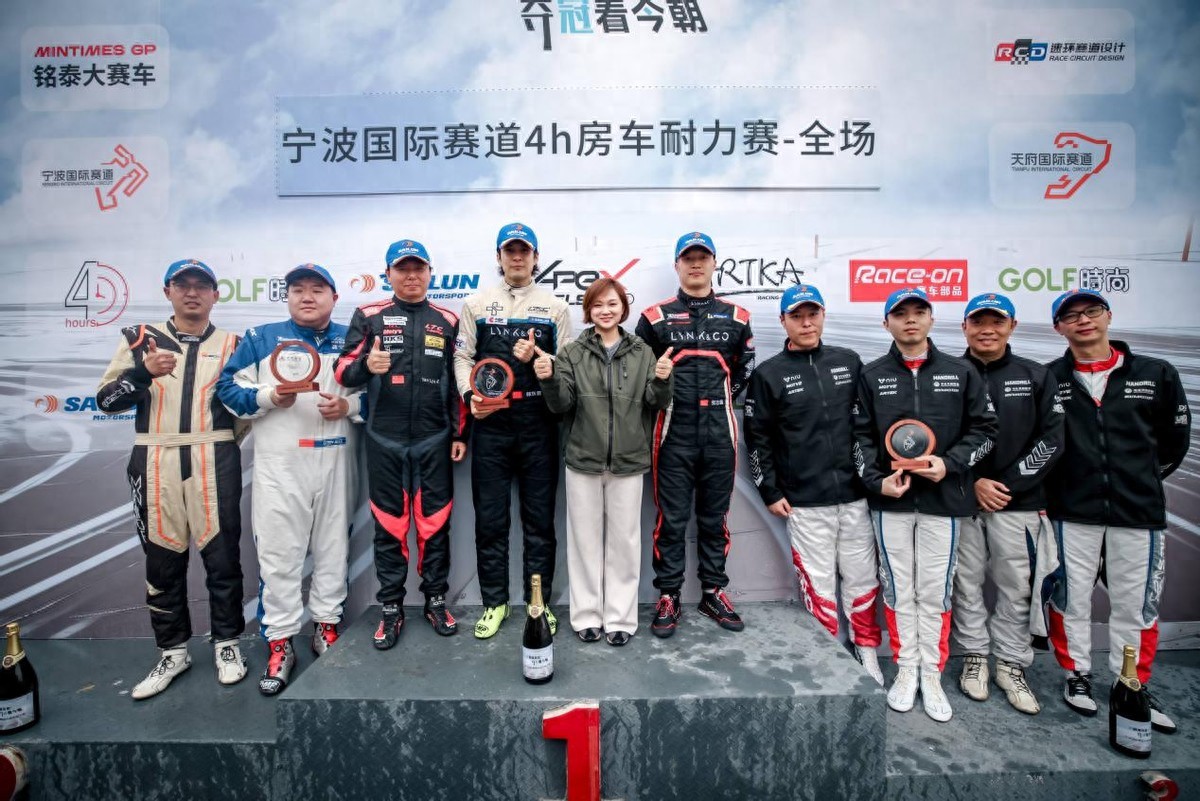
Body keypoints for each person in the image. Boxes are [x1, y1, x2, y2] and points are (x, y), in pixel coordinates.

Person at [96, 259, 247, 700]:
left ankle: (227, 643)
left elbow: (244, 410)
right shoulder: (139, 339)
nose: (192, 292)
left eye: (202, 285)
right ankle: (172, 650)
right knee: (162, 560)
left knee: (223, 557)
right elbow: (106, 401)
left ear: (216, 294)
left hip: (214, 454)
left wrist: (218, 442)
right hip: (154, 456)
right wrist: (142, 373)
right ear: (168, 292)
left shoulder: (235, 344)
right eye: (183, 285)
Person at [1044, 289, 1190, 732]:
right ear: (1059, 328)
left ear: (1108, 316)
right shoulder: (1050, 377)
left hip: (1137, 511)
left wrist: (1138, 479)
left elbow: (1173, 444)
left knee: (1135, 604)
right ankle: (1077, 674)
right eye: (1071, 316)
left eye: (1092, 311)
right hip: (1072, 511)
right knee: (1071, 598)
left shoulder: (1155, 372)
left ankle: (1131, 684)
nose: (1083, 320)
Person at [217, 263, 365, 695]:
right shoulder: (261, 338)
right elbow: (228, 391)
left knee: (334, 550)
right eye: (298, 289)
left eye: (317, 289)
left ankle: (326, 628)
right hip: (282, 466)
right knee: (279, 555)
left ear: (334, 297)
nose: (307, 296)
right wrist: (268, 396)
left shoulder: (353, 340)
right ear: (287, 297)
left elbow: (383, 395)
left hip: (337, 460)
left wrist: (351, 408)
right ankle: (280, 642)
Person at [852, 287, 997, 722]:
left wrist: (949, 464)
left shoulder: (961, 371)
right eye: (901, 314)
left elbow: (985, 432)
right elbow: (859, 437)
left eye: (919, 312)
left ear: (932, 319)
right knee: (899, 588)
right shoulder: (872, 374)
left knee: (934, 590)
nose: (910, 320)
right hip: (892, 503)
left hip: (943, 500)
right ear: (887, 323)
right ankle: (906, 668)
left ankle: (931, 672)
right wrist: (877, 482)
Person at [743, 284, 884, 685]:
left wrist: (871, 479)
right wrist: (770, 490)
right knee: (819, 584)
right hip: (804, 502)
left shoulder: (849, 361)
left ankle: (866, 649)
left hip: (855, 498)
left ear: (823, 316)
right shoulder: (769, 374)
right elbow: (757, 439)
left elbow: (868, 427)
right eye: (797, 316)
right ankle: (828, 653)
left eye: (812, 314)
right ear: (783, 320)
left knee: (862, 579)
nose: (806, 323)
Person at [337, 239, 468, 648]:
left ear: (429, 273)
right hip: (384, 438)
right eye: (402, 269)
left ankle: (435, 600)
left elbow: (458, 381)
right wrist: (366, 365)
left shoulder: (448, 319)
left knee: (435, 524)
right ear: (388, 274)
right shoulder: (369, 316)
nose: (411, 276)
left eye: (418, 268)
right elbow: (343, 370)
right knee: (390, 526)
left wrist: (459, 433)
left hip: (435, 438)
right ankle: (391, 607)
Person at [535, 277, 674, 646]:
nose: (605, 310)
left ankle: (620, 619)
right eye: (597, 305)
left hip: (628, 462)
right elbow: (560, 405)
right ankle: (586, 617)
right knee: (584, 543)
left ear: (623, 308)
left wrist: (663, 380)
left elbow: (656, 402)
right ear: (588, 310)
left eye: (612, 303)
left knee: (624, 544)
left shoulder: (643, 352)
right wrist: (549, 379)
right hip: (583, 459)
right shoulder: (572, 353)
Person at [453, 223, 573, 639]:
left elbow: (568, 367)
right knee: (490, 520)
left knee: (539, 523)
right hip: (491, 424)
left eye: (525, 251)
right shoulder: (476, 303)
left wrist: (544, 360)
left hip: (539, 423)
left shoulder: (555, 307)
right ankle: (495, 603)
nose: (517, 257)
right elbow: (462, 357)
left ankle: (538, 604)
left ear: (536, 258)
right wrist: (470, 396)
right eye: (510, 251)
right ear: (499, 257)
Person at [635, 231, 755, 636]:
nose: (696, 264)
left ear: (714, 263)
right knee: (671, 519)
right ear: (677, 265)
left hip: (720, 429)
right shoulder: (655, 317)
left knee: (714, 517)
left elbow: (745, 369)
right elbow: (641, 374)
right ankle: (668, 594)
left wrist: (720, 400)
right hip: (673, 429)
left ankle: (713, 592)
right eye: (688, 258)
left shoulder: (737, 316)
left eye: (703, 257)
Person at [951, 292, 1064, 715]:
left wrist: (1004, 486)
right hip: (961, 499)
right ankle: (975, 657)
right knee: (965, 583)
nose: (987, 330)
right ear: (964, 327)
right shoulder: (947, 374)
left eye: (997, 322)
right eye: (978, 322)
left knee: (1017, 588)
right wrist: (974, 482)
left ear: (1012, 326)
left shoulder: (1036, 375)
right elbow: (936, 441)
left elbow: (1053, 440)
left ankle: (1011, 664)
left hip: (1018, 503)